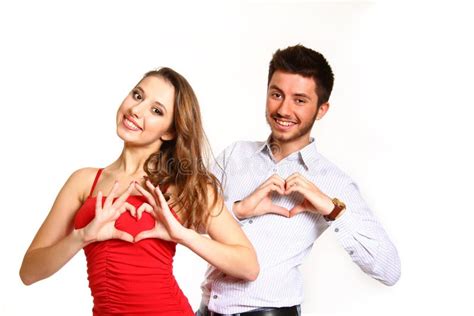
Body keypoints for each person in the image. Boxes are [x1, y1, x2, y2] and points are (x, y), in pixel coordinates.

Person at [19, 67, 259, 316]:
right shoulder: (83, 182)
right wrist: (82, 236)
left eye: (156, 111)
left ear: (170, 131)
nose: (136, 110)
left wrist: (182, 235)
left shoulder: (185, 186)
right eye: (137, 95)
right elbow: (28, 272)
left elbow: (248, 266)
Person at [198, 45, 401, 316]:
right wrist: (237, 209)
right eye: (276, 94)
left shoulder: (332, 182)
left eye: (300, 100)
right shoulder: (235, 155)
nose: (284, 109)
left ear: (321, 109)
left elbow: (389, 269)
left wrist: (332, 209)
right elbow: (188, 223)